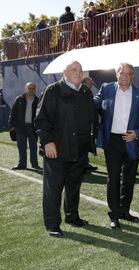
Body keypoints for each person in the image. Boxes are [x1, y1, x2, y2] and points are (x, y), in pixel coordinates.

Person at [35, 61, 98, 237]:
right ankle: (52, 224)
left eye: (80, 70)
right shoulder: (53, 90)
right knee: (53, 189)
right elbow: (40, 120)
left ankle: (72, 216)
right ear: (65, 72)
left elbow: (92, 117)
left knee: (74, 187)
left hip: (79, 151)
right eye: (73, 70)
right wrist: (47, 141)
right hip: (57, 150)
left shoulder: (85, 92)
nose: (78, 73)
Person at [94, 63, 139, 229]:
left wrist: (137, 133)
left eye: (128, 73)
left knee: (129, 179)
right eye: (122, 73)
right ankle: (114, 214)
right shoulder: (106, 89)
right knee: (113, 179)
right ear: (116, 74)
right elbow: (94, 103)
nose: (125, 76)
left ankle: (125, 210)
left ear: (132, 76)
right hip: (112, 141)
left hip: (132, 140)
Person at [9, 82, 40, 170]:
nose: (31, 90)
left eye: (33, 88)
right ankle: (21, 164)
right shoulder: (19, 99)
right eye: (29, 88)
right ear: (25, 89)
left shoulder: (38, 100)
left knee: (33, 147)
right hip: (21, 127)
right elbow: (13, 112)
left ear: (35, 90)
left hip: (33, 128)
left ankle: (34, 164)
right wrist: (12, 125)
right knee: (21, 147)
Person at [82, 76, 98, 174]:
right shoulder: (85, 92)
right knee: (84, 146)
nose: (92, 85)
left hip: (86, 124)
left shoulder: (86, 91)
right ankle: (84, 166)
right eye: (90, 83)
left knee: (86, 146)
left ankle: (85, 165)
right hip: (85, 125)